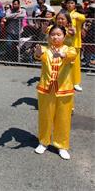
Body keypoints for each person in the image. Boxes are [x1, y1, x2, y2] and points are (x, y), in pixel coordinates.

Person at [33, 25, 77, 160]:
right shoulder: (45, 50)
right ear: (49, 36)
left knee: (63, 119)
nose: (55, 37)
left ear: (64, 36)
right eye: (53, 34)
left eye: (58, 34)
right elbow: (37, 56)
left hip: (64, 90)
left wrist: (63, 54)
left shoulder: (69, 49)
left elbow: (72, 55)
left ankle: (62, 146)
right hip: (46, 90)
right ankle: (43, 142)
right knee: (45, 117)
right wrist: (38, 53)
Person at [65, 0, 86, 92]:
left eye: (72, 3)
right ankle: (66, 81)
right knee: (64, 64)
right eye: (68, 3)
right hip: (64, 43)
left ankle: (76, 83)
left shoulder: (77, 15)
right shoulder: (63, 14)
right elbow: (54, 18)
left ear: (75, 5)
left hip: (75, 44)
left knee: (75, 65)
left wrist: (74, 16)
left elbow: (83, 18)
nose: (70, 5)